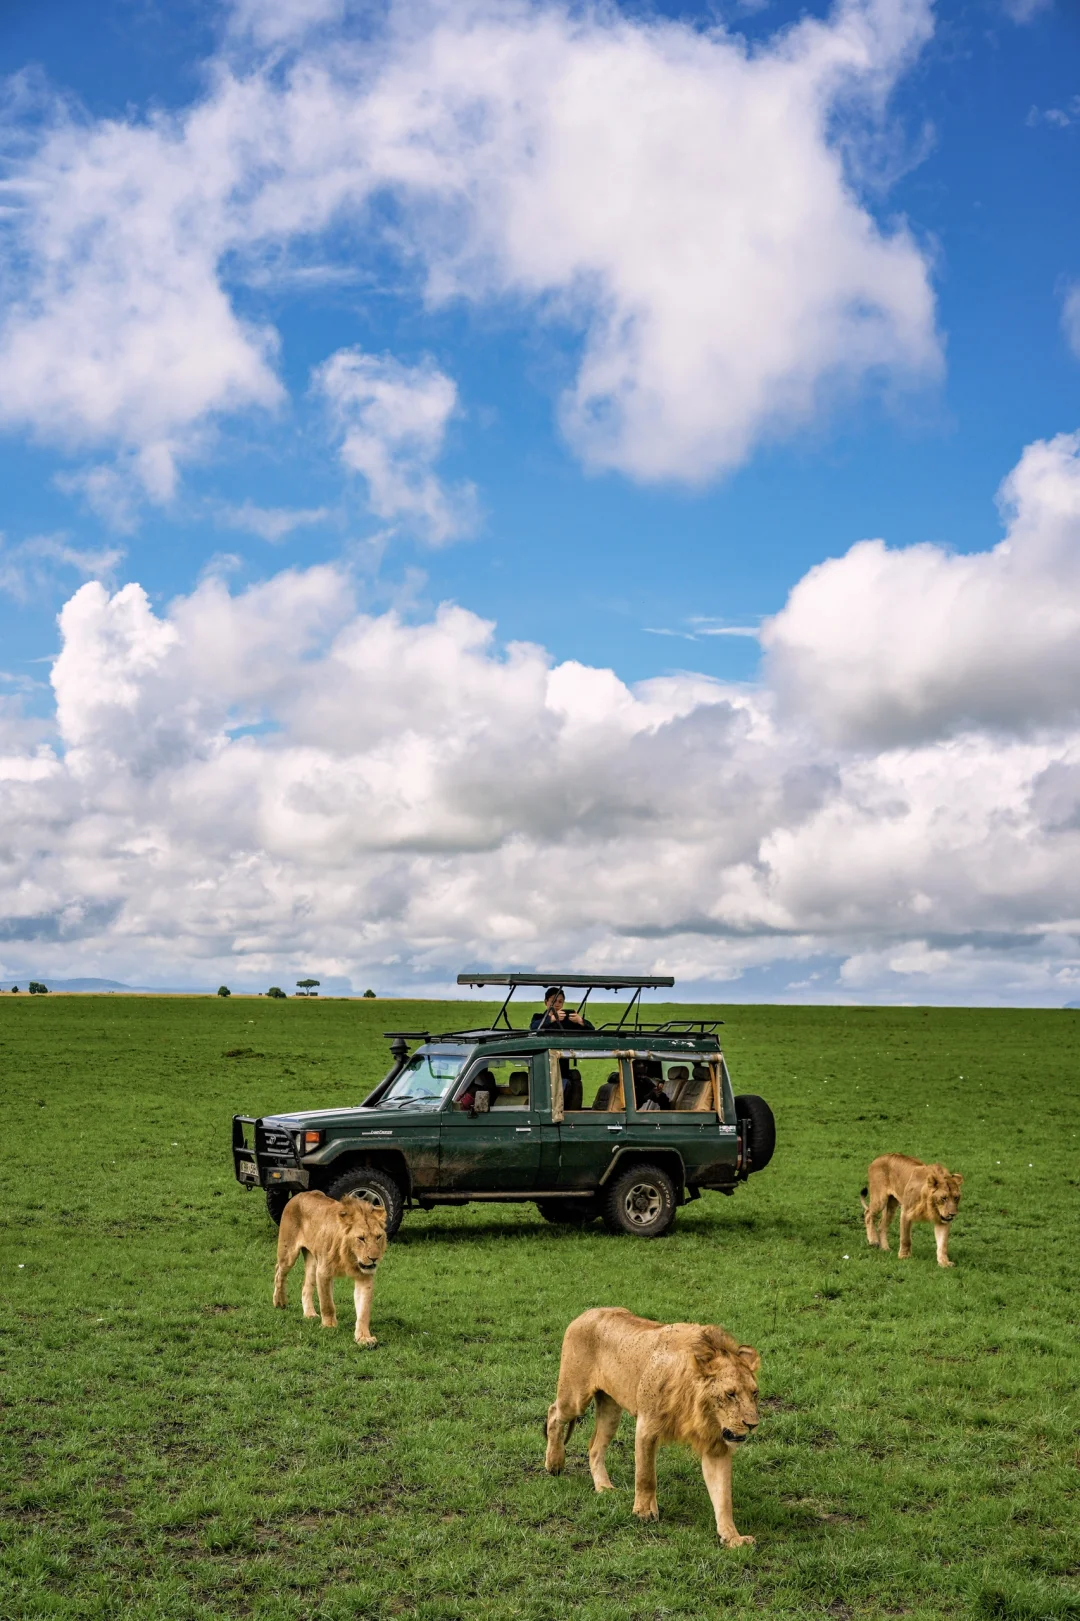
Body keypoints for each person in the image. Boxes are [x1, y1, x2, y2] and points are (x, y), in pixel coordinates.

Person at [529, 986, 595, 1033]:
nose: (557, 1004)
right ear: (546, 1002)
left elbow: (592, 1030)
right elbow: (533, 1027)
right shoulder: (538, 1017)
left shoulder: (569, 1019)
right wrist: (551, 1018)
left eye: (560, 1002)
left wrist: (580, 1020)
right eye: (553, 1001)